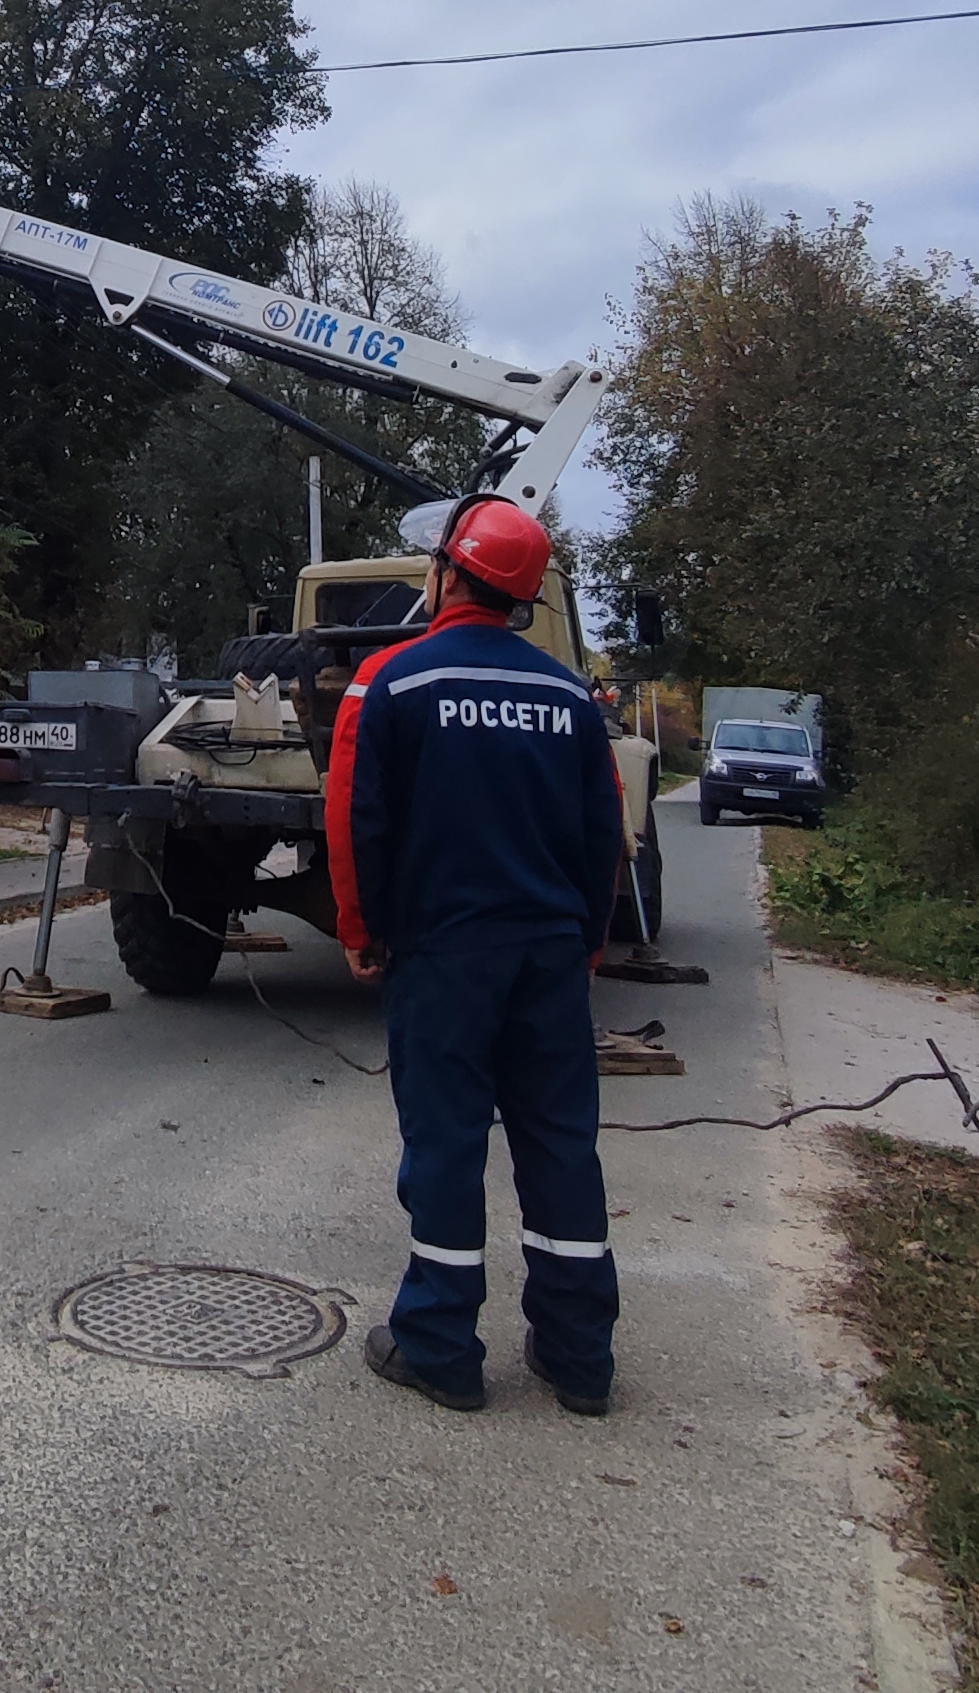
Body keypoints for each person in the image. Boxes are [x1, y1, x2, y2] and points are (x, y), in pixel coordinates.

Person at [325, 494, 627, 1417]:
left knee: (448, 1144)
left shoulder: (389, 682)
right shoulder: (571, 697)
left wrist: (359, 930)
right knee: (561, 1146)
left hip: (444, 957)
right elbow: (602, 831)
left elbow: (353, 821)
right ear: (522, 599)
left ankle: (441, 1349)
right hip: (545, 956)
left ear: (448, 573)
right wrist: (587, 942)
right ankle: (578, 1360)